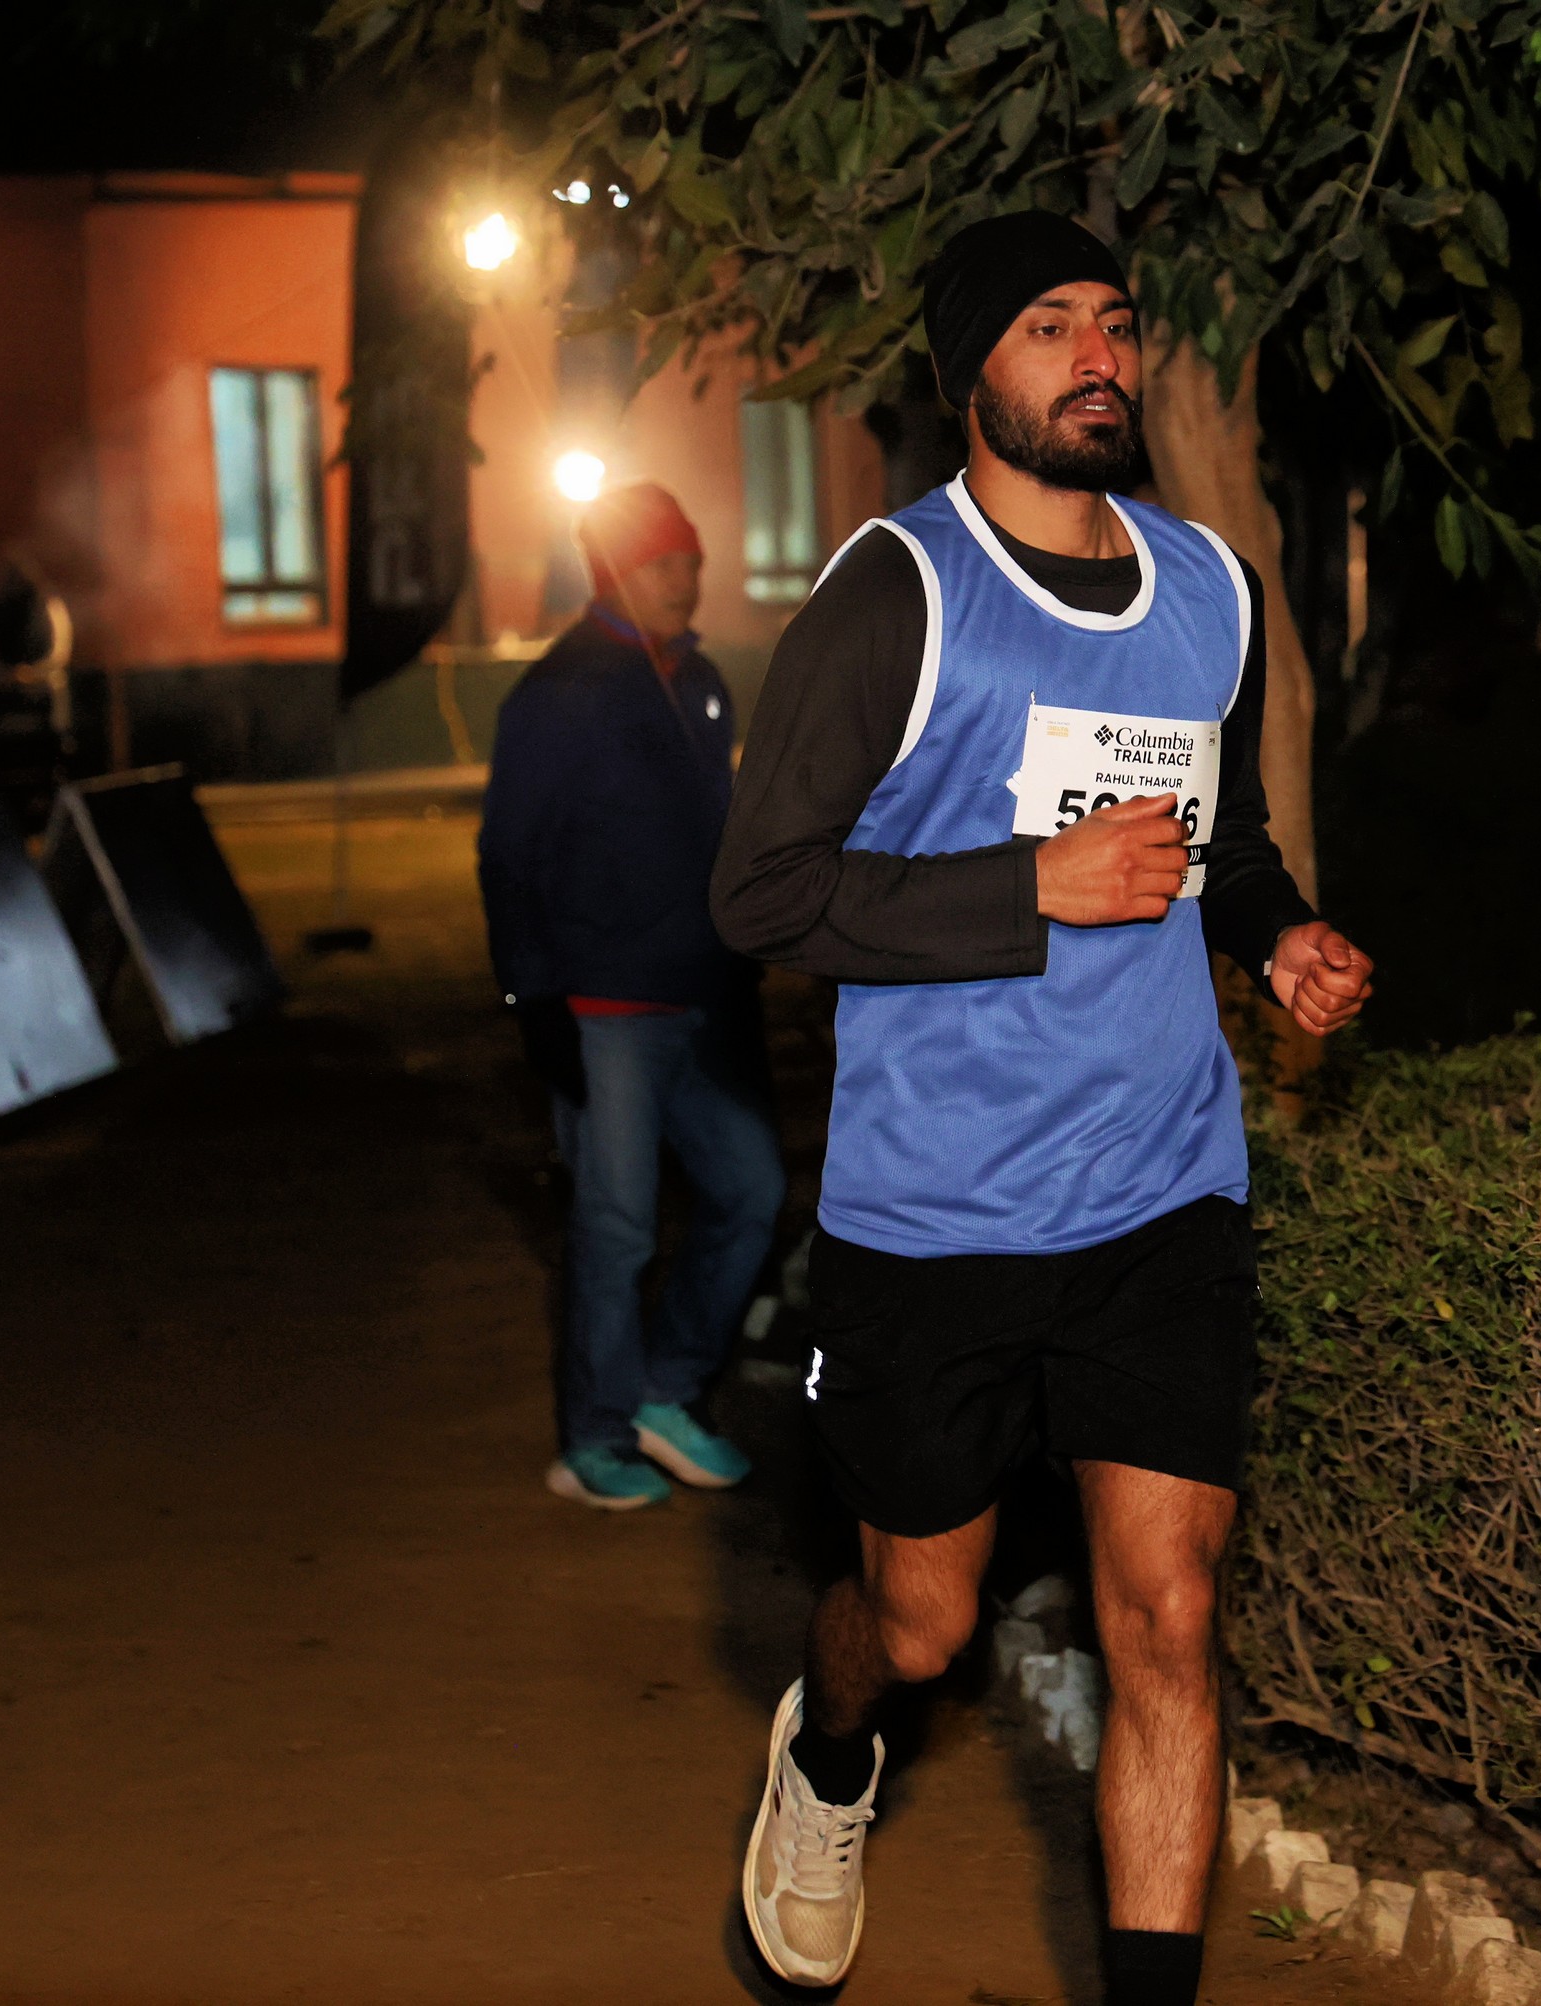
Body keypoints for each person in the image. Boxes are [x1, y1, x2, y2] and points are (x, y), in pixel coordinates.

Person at [711, 211, 1376, 2004]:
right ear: (967, 374)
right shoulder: (897, 596)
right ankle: (827, 1751)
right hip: (935, 1211)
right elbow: (758, 895)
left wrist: (1274, 930)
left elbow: (1218, 840)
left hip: (1159, 1189)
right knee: (919, 1622)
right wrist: (1029, 889)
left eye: (1114, 322)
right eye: (1046, 327)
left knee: (1166, 1612)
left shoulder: (1208, 589)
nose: (1096, 357)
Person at [477, 481, 784, 1512]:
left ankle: (665, 1389)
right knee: (617, 1227)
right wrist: (532, 1000)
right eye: (661, 562)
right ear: (613, 570)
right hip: (602, 1009)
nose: (684, 578)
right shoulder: (560, 691)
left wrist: (738, 964)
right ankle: (595, 1435)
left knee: (750, 1192)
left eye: (690, 558)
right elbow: (508, 854)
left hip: (698, 996)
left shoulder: (697, 679)